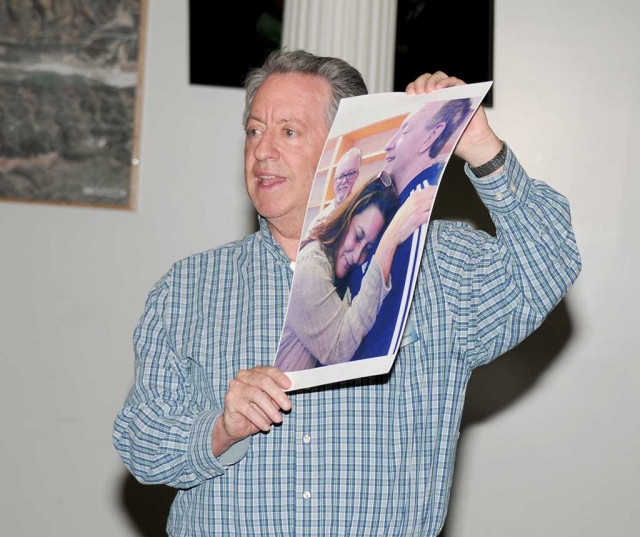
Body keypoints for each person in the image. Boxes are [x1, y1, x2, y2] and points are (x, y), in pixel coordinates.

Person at [112, 49, 582, 536]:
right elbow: (141, 443)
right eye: (255, 130)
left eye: (288, 131)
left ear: (340, 148)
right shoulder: (190, 287)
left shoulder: (436, 265)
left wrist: (481, 146)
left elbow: (549, 260)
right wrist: (220, 429)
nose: (262, 151)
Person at [347, 97, 474, 361]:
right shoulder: (391, 206)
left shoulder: (421, 209)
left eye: (404, 131)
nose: (388, 144)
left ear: (432, 136)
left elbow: (388, 325)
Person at [275, 172, 434, 372]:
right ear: (346, 218)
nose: (357, 256)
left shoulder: (335, 270)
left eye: (368, 248)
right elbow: (339, 350)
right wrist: (389, 242)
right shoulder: (312, 267)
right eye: (358, 236)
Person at [305, 146, 363, 236]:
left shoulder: (360, 215)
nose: (344, 181)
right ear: (334, 181)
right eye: (340, 176)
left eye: (350, 174)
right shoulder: (319, 221)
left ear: (356, 176)